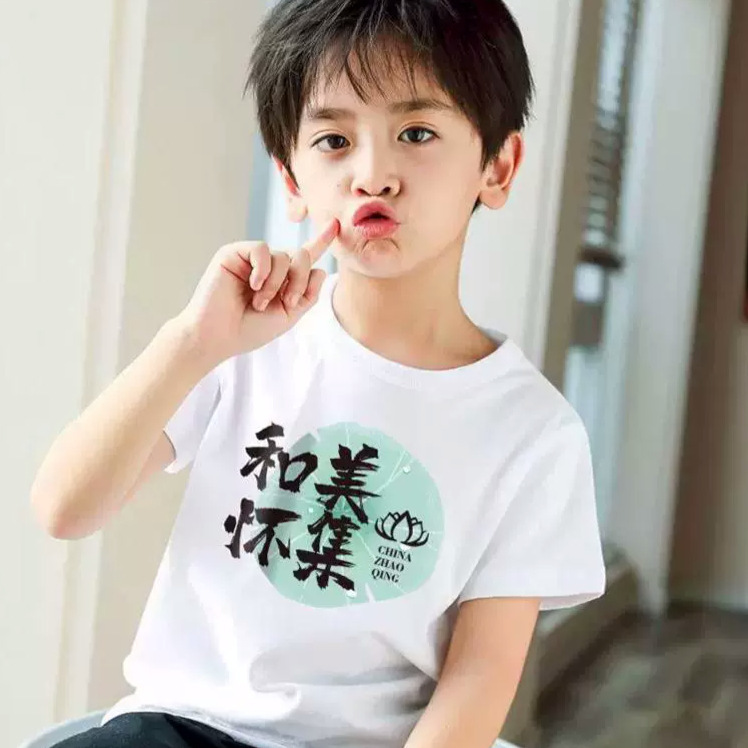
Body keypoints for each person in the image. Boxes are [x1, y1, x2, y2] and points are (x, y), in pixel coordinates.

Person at [31, 0, 606, 746]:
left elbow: (480, 678)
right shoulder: (242, 343)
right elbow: (64, 509)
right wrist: (193, 342)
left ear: (496, 167)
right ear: (292, 180)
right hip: (182, 727)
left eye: (417, 133)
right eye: (334, 140)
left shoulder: (535, 433)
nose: (373, 175)